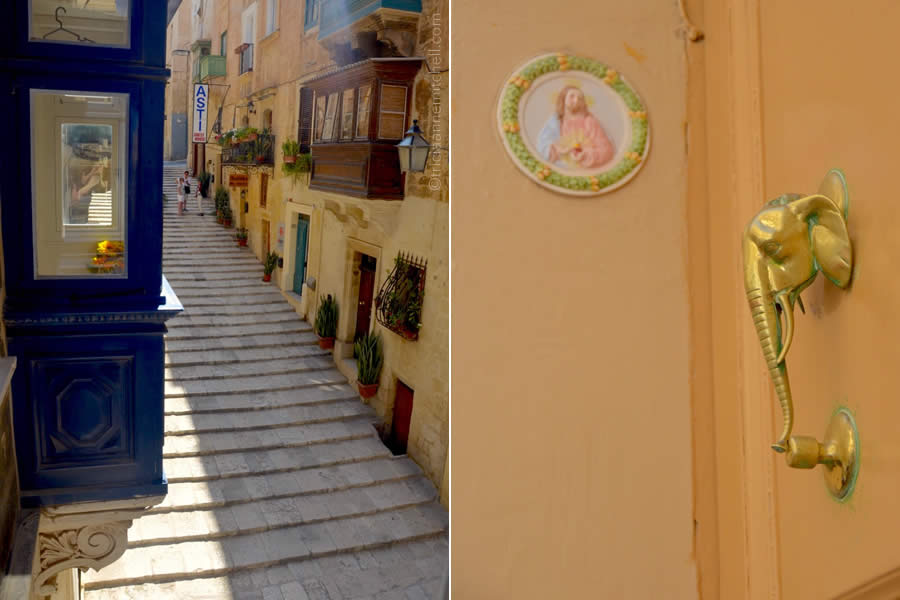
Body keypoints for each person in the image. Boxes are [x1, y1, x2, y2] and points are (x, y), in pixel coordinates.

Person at [536, 85, 614, 170]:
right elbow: (542, 146)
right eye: (572, 96)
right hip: (559, 169)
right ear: (563, 99)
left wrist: (585, 154)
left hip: (583, 171)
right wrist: (558, 150)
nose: (576, 100)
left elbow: (606, 151)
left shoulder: (589, 122)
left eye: (580, 98)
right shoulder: (555, 121)